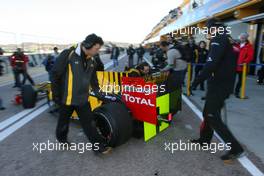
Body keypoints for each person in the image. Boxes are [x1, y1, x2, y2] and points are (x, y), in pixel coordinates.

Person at [191, 19, 244, 161]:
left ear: (213, 28)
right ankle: (204, 140)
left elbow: (211, 63)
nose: (207, 33)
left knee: (212, 116)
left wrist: (196, 81)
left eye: (208, 30)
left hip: (219, 85)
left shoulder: (219, 38)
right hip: (222, 83)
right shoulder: (227, 39)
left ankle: (236, 148)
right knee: (207, 113)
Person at [51, 34, 111, 154]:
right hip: (66, 99)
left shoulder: (92, 60)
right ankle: (62, 139)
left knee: (90, 123)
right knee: (63, 123)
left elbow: (93, 80)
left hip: (82, 99)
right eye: (97, 48)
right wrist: (56, 95)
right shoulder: (68, 54)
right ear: (88, 45)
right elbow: (55, 74)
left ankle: (98, 146)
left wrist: (99, 94)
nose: (98, 51)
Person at [234, 33, 254, 98]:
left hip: (242, 66)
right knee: (230, 78)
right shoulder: (236, 45)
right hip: (234, 65)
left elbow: (250, 56)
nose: (241, 39)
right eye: (241, 37)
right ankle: (229, 90)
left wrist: (244, 62)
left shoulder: (249, 46)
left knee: (241, 80)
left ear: (246, 38)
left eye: (243, 38)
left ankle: (237, 92)